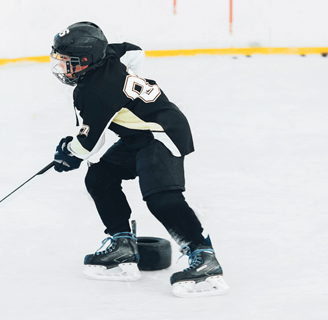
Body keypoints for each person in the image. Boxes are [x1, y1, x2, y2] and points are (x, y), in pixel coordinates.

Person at [50, 21, 229, 297]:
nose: (61, 68)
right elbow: (135, 52)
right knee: (100, 177)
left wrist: (67, 153)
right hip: (140, 133)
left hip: (161, 133)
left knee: (161, 197)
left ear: (86, 61)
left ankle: (203, 255)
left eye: (67, 62)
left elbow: (89, 145)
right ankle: (122, 244)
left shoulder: (91, 92)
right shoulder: (109, 55)